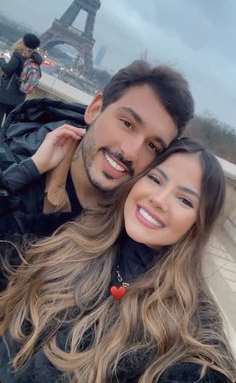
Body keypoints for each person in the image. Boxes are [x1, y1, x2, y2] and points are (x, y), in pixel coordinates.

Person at [0, 138, 235, 382]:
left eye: (184, 200)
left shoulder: (186, 321)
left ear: (197, 224)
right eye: (155, 179)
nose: (159, 199)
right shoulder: (73, 233)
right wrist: (31, 167)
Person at [0, 60, 194, 226]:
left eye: (152, 146)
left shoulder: (136, 226)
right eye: (127, 123)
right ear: (94, 109)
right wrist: (25, 172)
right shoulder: (11, 164)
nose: (131, 152)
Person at [0, 33, 42, 126]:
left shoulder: (18, 56)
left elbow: (7, 70)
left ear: (23, 42)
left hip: (6, 93)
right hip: (20, 96)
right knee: (9, 124)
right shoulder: (35, 60)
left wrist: (2, 60)